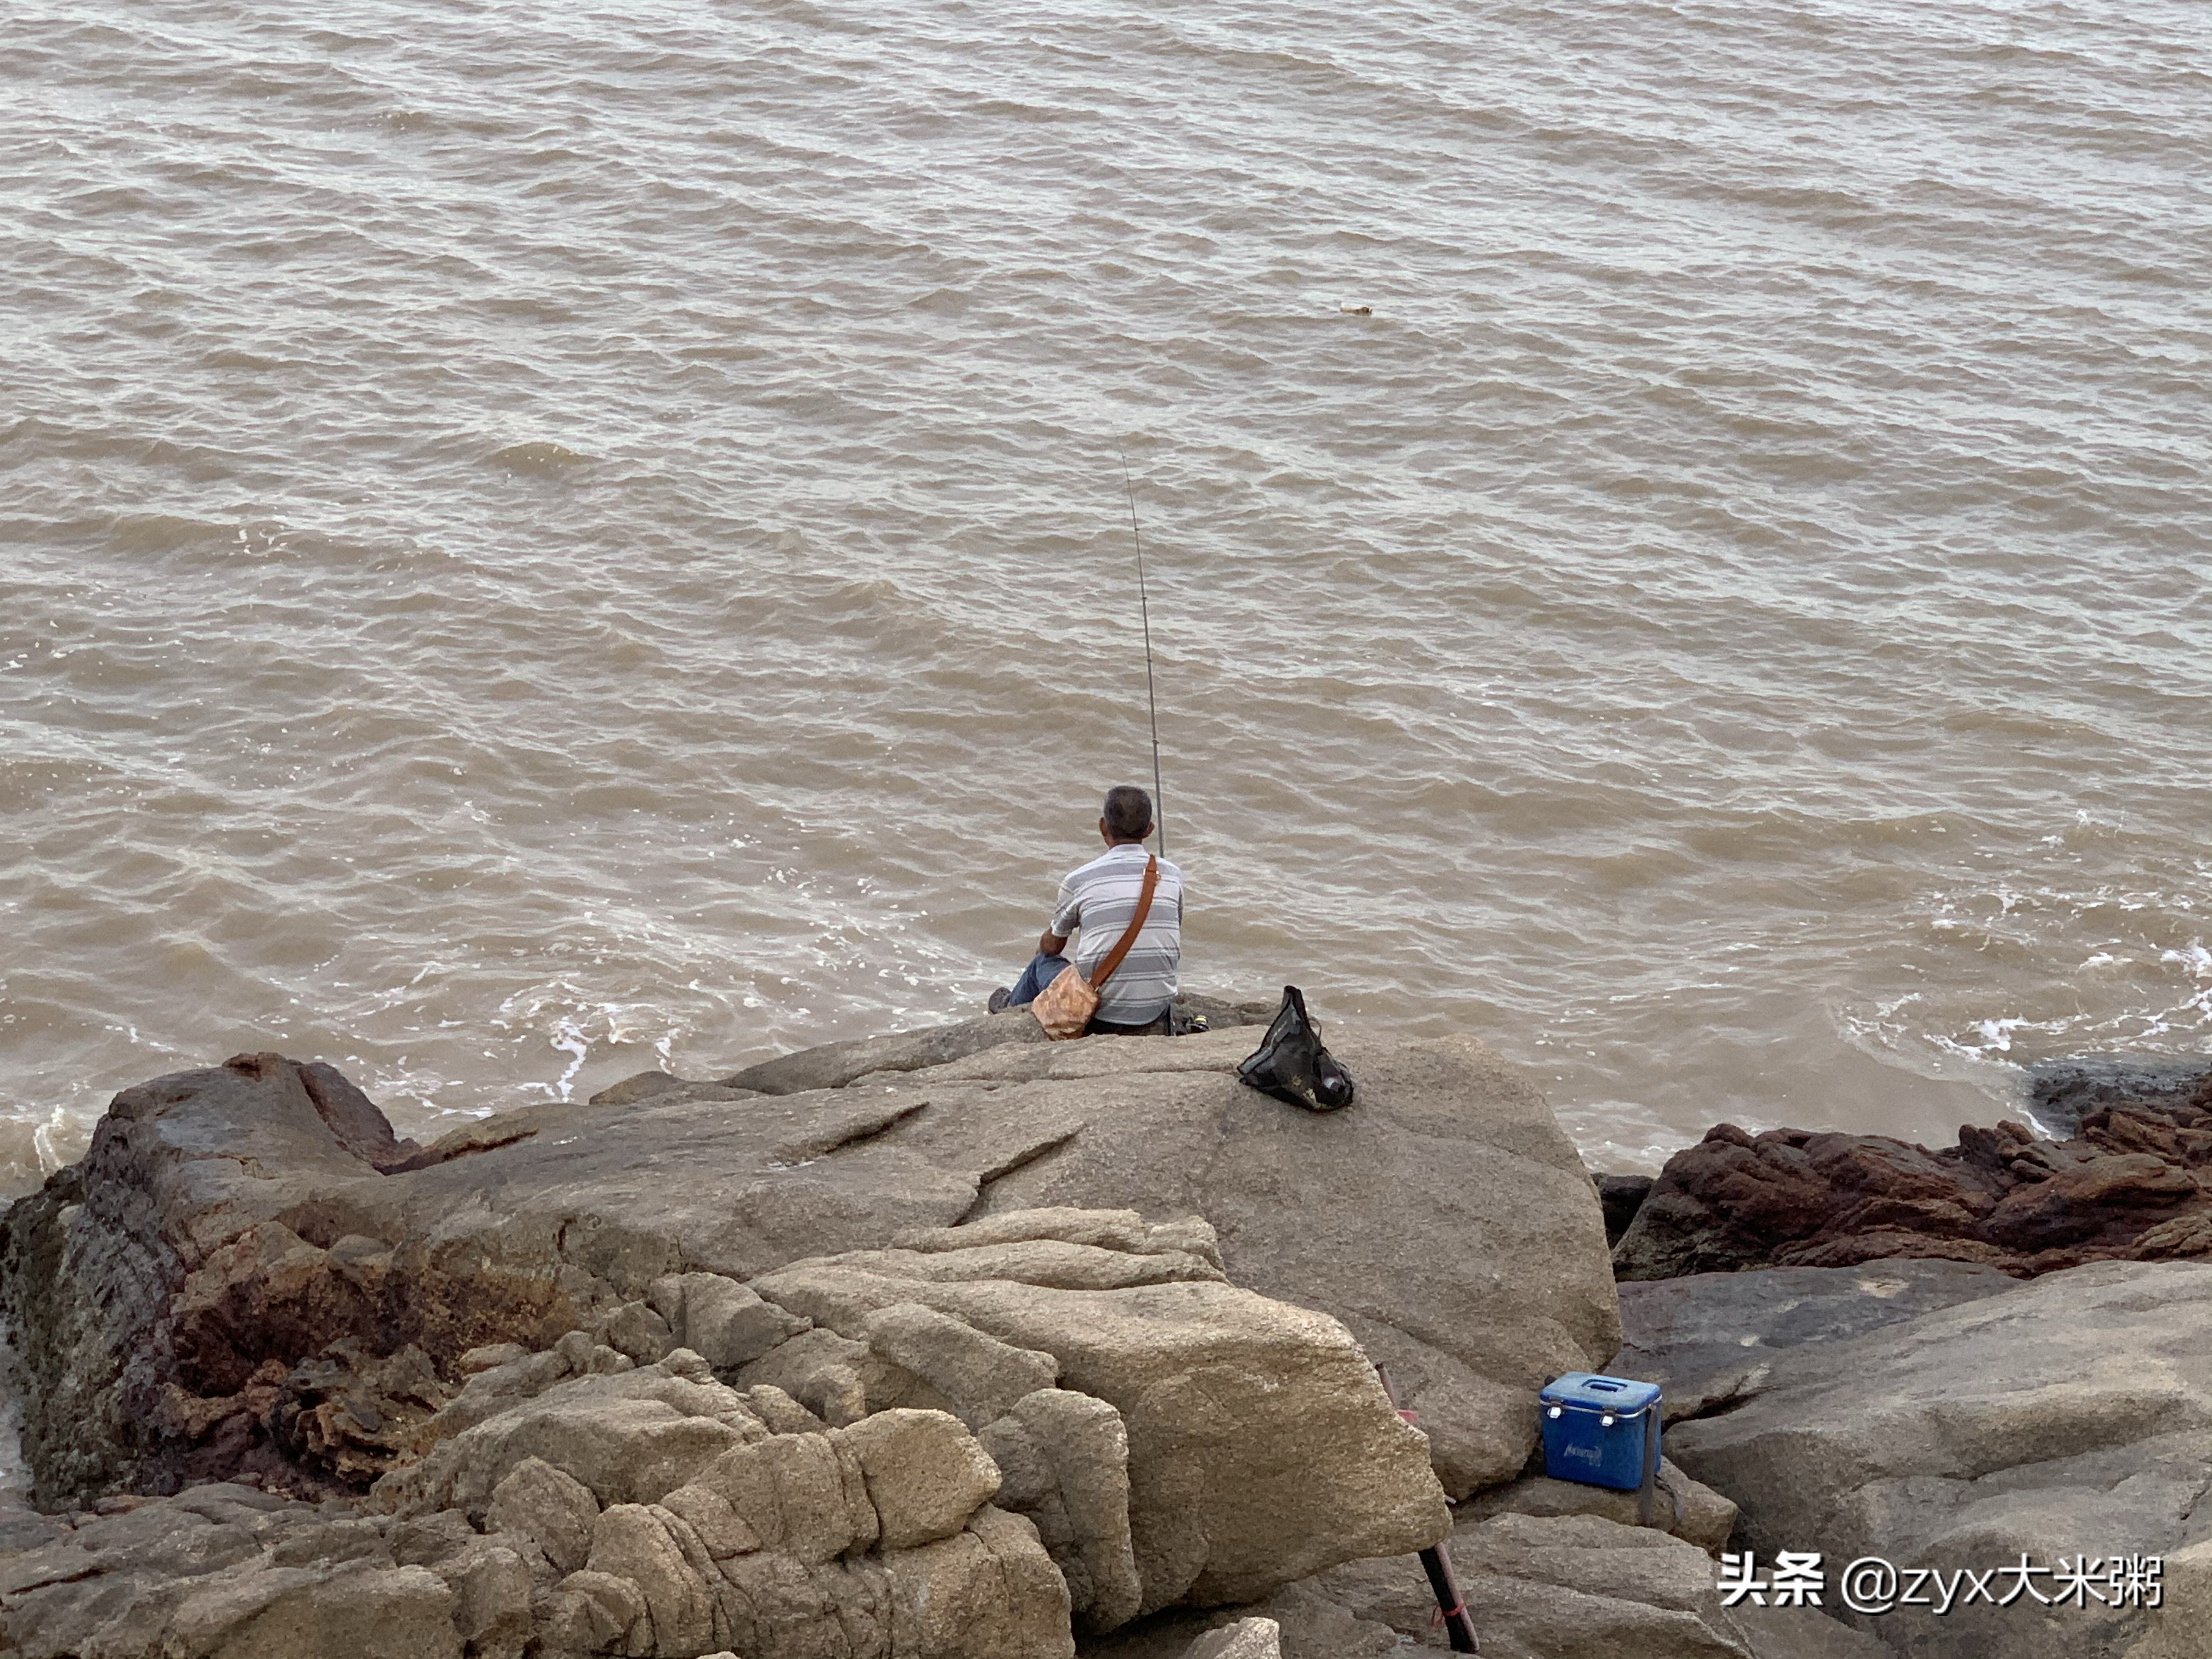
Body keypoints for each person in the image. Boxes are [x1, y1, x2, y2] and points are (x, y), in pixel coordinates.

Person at [989, 785, 1183, 1035]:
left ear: (1103, 826)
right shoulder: (1172, 875)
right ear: (1149, 829)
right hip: (1156, 1009)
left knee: (1042, 961)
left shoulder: (1079, 880)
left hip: (1101, 1014)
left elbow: (1053, 947)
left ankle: (1010, 1010)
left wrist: (1045, 943)